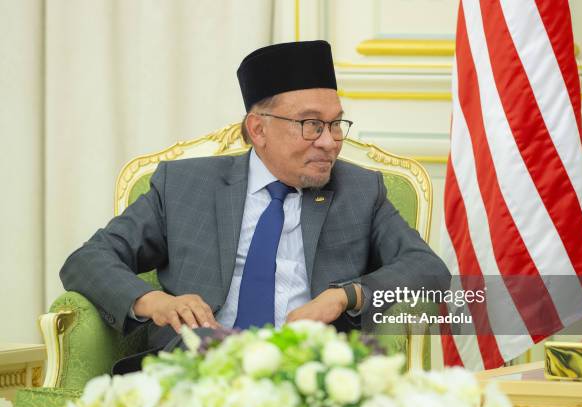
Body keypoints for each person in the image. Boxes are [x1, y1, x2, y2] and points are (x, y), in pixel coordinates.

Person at [60, 40, 450, 370]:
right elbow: (88, 260)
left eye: (336, 124)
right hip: (194, 372)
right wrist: (154, 302)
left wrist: (345, 296)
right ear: (258, 129)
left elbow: (429, 271)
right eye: (312, 125)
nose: (330, 142)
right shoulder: (183, 186)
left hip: (310, 374)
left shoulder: (360, 191)